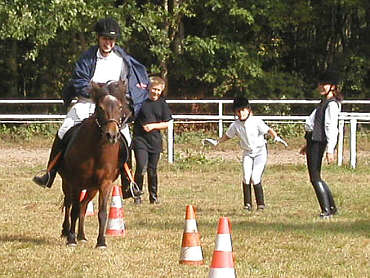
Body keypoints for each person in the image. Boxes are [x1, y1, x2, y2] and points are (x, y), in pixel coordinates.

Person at [33, 17, 149, 188]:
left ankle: (128, 181)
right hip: (87, 101)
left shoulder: (122, 61)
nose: (108, 43)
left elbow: (128, 84)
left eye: (111, 39)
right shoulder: (87, 58)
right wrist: (97, 93)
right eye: (104, 39)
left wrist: (125, 103)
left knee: (126, 137)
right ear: (98, 38)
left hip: (111, 106)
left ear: (115, 40)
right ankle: (49, 173)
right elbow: (79, 82)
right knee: (64, 129)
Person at [214, 96, 287, 211]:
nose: (241, 113)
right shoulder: (235, 125)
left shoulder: (256, 121)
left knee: (255, 177)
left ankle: (261, 204)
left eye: (243, 110)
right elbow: (228, 135)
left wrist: (276, 137)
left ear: (248, 110)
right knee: (246, 177)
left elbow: (268, 130)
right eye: (238, 111)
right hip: (247, 153)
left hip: (260, 152)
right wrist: (217, 142)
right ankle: (247, 204)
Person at [299, 70, 343, 218]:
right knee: (316, 177)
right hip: (313, 141)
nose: (321, 87)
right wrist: (307, 143)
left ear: (333, 86)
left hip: (318, 141)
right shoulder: (324, 103)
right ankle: (331, 208)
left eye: (325, 84)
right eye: (321, 84)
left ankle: (326, 210)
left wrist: (330, 149)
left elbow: (331, 128)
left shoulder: (331, 105)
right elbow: (314, 123)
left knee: (315, 177)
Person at [131, 76, 172, 204]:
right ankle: (137, 196)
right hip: (140, 140)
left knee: (152, 170)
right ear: (149, 88)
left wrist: (153, 126)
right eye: (154, 89)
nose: (156, 92)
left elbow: (168, 123)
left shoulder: (162, 104)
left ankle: (153, 197)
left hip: (155, 141)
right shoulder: (140, 102)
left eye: (159, 90)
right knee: (141, 167)